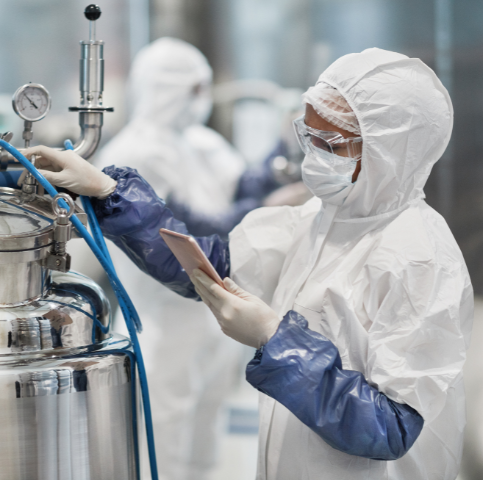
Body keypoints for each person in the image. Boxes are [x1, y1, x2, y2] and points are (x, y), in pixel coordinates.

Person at [24, 47, 473, 479]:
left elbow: (390, 427)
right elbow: (209, 264)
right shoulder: (319, 221)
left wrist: (276, 341)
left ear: (390, 152)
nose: (313, 155)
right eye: (308, 136)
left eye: (329, 143)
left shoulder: (419, 259)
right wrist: (109, 191)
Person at [92, 37, 282, 480]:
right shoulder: (135, 152)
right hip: (161, 322)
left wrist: (280, 159)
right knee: (163, 444)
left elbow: (244, 191)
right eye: (196, 89)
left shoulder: (199, 142)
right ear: (170, 88)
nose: (203, 100)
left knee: (205, 441)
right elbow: (181, 233)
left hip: (211, 321)